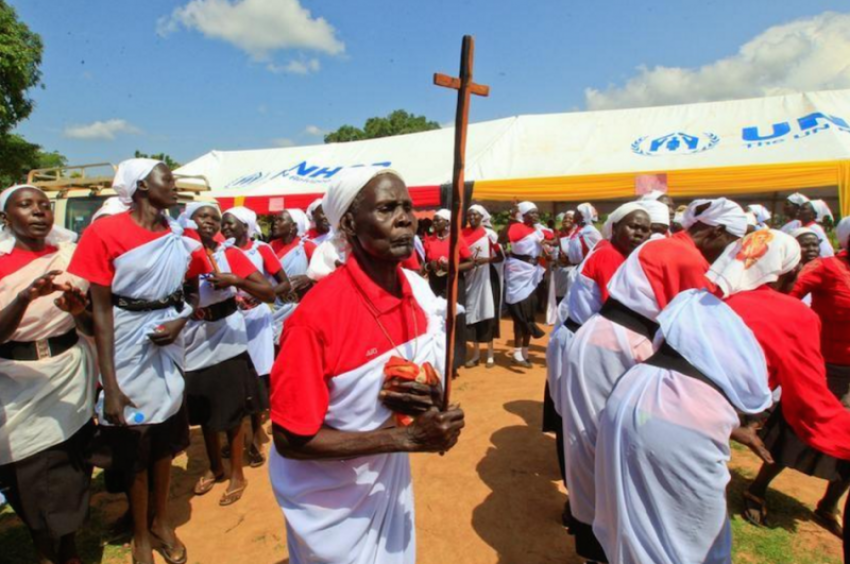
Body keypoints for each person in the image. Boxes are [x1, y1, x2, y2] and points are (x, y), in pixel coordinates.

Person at [268, 166, 465, 564]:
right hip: (330, 500)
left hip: (385, 477)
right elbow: (290, 440)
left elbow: (416, 382)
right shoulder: (315, 318)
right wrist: (404, 441)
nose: (406, 217)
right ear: (350, 227)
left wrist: (432, 402)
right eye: (387, 208)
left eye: (407, 206)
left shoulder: (417, 293)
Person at [560, 198, 747, 563]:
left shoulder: (672, 248)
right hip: (615, 344)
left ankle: (596, 534)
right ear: (717, 232)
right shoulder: (686, 257)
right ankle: (599, 543)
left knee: (597, 443)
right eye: (731, 242)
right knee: (599, 445)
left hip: (611, 339)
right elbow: (697, 327)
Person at [68, 158, 207, 564]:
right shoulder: (104, 232)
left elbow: (191, 292)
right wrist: (110, 387)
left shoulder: (177, 235)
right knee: (135, 445)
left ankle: (162, 523)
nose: (175, 184)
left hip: (169, 344)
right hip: (126, 344)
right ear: (143, 185)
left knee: (163, 441)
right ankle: (141, 534)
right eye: (168, 177)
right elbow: (101, 316)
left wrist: (181, 324)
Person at [593, 289, 774, 564]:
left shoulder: (636, 376)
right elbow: (699, 530)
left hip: (620, 543)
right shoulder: (695, 399)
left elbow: (650, 420)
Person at [0, 185, 96, 564]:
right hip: (13, 380)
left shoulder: (71, 258)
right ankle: (43, 544)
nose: (39, 212)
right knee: (23, 467)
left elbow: (90, 324)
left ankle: (68, 544)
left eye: (44, 205)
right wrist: (25, 298)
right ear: (6, 218)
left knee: (70, 458)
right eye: (26, 206)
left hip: (67, 374)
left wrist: (77, 310)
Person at [544, 203, 650, 498]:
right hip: (581, 342)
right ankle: (576, 493)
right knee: (577, 421)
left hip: (586, 339)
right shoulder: (609, 257)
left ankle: (577, 485)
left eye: (645, 228)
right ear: (614, 228)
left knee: (576, 417)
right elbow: (619, 308)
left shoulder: (618, 254)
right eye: (633, 226)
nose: (640, 232)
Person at [181, 202, 276, 506]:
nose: (209, 222)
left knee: (232, 407)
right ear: (189, 221)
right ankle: (214, 466)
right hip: (193, 338)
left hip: (228, 335)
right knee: (204, 407)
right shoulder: (179, 253)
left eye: (214, 218)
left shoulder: (230, 254)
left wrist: (235, 281)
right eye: (202, 216)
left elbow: (268, 292)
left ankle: (237, 472)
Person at [221, 206, 291, 468]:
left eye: (230, 224)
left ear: (245, 225)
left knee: (259, 375)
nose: (225, 228)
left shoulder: (260, 250)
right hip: (232, 320)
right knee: (238, 374)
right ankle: (241, 434)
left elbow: (282, 282)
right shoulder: (221, 253)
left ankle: (255, 438)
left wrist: (259, 292)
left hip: (257, 319)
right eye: (223, 224)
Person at [422, 209, 474, 376]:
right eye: (434, 220)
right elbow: (424, 264)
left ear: (447, 222)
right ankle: (438, 360)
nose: (434, 223)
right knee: (437, 320)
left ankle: (453, 362)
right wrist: (431, 266)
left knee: (454, 320)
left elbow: (471, 262)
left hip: (453, 283)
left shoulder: (457, 239)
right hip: (435, 284)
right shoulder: (429, 240)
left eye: (438, 220)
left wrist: (452, 268)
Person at [504, 201, 551, 368]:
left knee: (530, 311)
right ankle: (517, 352)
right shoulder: (517, 228)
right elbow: (504, 238)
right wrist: (511, 218)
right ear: (523, 215)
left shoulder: (538, 230)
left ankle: (524, 352)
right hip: (518, 273)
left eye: (537, 212)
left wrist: (547, 242)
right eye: (532, 212)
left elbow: (555, 239)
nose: (536, 215)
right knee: (519, 313)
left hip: (533, 274)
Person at [462, 204, 504, 368]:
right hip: (469, 278)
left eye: (475, 215)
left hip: (486, 278)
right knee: (472, 315)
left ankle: (491, 355)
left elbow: (500, 256)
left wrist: (486, 260)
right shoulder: (462, 234)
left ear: (482, 217)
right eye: (469, 215)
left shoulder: (489, 234)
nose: (472, 218)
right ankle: (476, 354)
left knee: (487, 313)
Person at [269, 210, 317, 343]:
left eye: (280, 220)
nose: (275, 224)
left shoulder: (306, 246)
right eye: (275, 220)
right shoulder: (270, 247)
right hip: (274, 307)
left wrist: (309, 278)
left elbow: (328, 274)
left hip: (298, 307)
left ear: (293, 226)